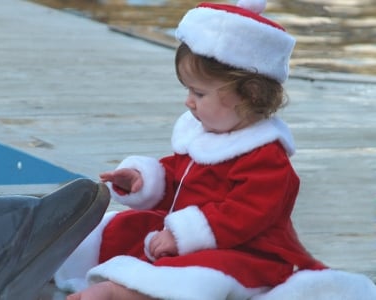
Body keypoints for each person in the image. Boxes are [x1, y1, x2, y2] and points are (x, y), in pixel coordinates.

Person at [54, 0, 376, 299]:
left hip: (248, 250)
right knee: (120, 228)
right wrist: (144, 179)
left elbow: (243, 215)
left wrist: (182, 236)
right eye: (188, 90)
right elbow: (179, 177)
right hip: (186, 231)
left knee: (198, 273)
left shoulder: (266, 158)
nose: (188, 101)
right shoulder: (204, 134)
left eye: (199, 92)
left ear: (249, 94)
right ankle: (67, 262)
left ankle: (121, 292)